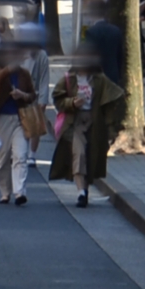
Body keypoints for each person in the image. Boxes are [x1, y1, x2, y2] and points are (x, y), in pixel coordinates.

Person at [0, 55, 36, 206]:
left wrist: (23, 95)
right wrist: (8, 69)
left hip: (20, 118)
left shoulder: (24, 74)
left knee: (20, 155)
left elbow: (32, 95)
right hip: (2, 118)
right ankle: (4, 192)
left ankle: (20, 192)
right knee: (2, 158)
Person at [50, 59, 98, 207]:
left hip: (93, 121)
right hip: (75, 120)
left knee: (90, 157)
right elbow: (57, 99)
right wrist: (72, 103)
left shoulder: (98, 79)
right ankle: (80, 192)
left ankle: (85, 188)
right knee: (79, 152)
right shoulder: (69, 78)